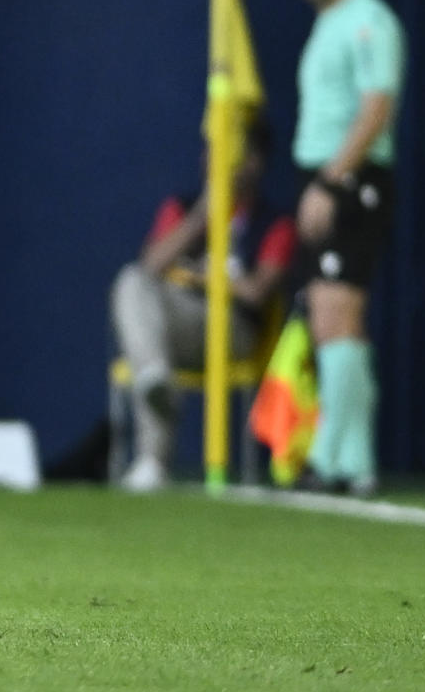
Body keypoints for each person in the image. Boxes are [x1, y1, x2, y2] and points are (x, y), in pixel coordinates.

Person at [285, 0, 405, 497]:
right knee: (329, 316)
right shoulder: (328, 23)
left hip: (351, 181)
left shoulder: (369, 21)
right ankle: (341, 459)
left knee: (339, 313)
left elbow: (376, 105)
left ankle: (345, 463)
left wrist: (332, 183)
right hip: (327, 177)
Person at [111, 120, 297, 492]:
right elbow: (151, 266)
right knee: (131, 284)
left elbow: (257, 291)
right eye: (211, 147)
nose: (215, 157)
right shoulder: (183, 207)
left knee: (148, 343)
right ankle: (151, 455)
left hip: (234, 329)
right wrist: (202, 216)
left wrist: (202, 276)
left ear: (255, 162)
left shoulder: (275, 223)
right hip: (178, 320)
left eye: (229, 149)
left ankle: (153, 432)